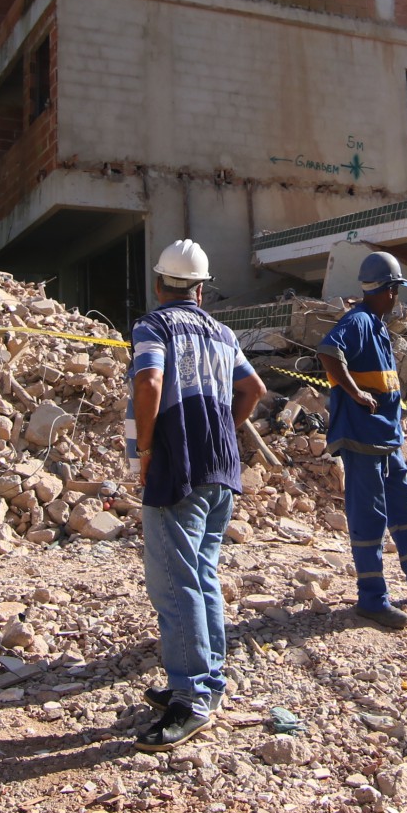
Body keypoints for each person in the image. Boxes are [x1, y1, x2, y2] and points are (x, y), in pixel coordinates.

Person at [126, 238, 266, 751]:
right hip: (220, 468)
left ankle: (191, 698)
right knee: (202, 574)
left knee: (174, 583)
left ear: (160, 284)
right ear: (201, 290)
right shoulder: (223, 333)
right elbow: (253, 391)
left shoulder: (153, 325)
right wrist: (224, 431)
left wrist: (144, 449)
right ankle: (207, 682)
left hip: (177, 467)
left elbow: (149, 383)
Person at [317, 252, 407, 629]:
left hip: (386, 440)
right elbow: (329, 353)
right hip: (363, 440)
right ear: (386, 289)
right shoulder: (359, 321)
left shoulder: (378, 327)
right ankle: (372, 599)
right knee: (370, 518)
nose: (397, 297)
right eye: (395, 289)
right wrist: (354, 393)